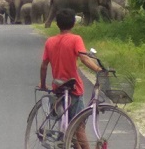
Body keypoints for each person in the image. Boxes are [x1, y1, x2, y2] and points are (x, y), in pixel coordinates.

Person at [38, 8, 102, 149]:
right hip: (74, 88)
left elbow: (44, 66)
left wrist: (43, 84)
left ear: (57, 24)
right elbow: (84, 58)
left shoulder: (50, 41)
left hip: (58, 89)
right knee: (79, 128)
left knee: (69, 127)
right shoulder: (75, 39)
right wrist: (99, 69)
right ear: (73, 23)